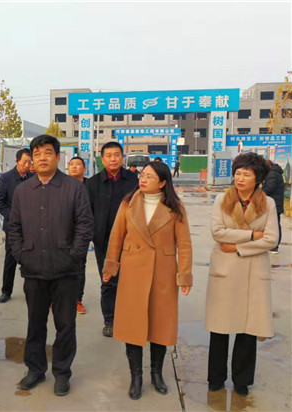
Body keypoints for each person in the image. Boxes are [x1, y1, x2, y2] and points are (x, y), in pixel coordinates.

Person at [9, 135, 93, 396]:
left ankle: (62, 373)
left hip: (66, 270)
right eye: (37, 154)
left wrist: (73, 256)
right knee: (35, 324)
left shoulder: (74, 188)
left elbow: (85, 225)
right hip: (33, 269)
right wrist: (21, 255)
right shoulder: (23, 190)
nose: (42, 158)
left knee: (65, 325)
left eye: (47, 152)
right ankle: (35, 369)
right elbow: (14, 227)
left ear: (58, 157)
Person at [103, 161, 193, 400]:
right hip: (133, 271)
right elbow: (116, 236)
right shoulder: (128, 203)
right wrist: (111, 266)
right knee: (133, 325)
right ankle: (136, 377)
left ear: (162, 183)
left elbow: (184, 244)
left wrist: (184, 275)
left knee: (160, 325)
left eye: (149, 176)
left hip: (163, 272)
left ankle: (156, 374)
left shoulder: (175, 208)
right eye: (142, 175)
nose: (142, 179)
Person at [205, 152, 278, 397]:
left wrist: (238, 247)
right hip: (225, 271)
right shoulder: (222, 199)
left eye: (246, 174)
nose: (240, 178)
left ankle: (242, 380)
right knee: (220, 327)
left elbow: (271, 239)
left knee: (248, 328)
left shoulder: (267, 203)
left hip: (252, 271)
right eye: (238, 173)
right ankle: (215, 378)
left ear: (258, 178)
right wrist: (251, 235)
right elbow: (217, 232)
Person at [85, 142, 138, 337]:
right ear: (102, 159)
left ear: (122, 157)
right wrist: (93, 235)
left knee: (131, 281)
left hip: (131, 240)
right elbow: (86, 212)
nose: (113, 159)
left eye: (116, 155)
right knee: (108, 281)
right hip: (104, 241)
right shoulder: (92, 183)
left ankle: (130, 317)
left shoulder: (134, 180)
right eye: (108, 155)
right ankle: (110, 320)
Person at [0, 148, 32, 303]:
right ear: (17, 160)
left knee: (31, 259)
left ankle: (32, 291)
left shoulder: (33, 178)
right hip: (13, 227)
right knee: (11, 259)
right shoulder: (6, 179)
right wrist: (14, 217)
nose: (27, 165)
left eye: (29, 162)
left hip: (31, 227)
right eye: (24, 162)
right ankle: (6, 291)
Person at [67, 156, 89, 314]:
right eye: (71, 164)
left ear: (84, 169)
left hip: (81, 233)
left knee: (79, 267)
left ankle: (77, 300)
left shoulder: (90, 186)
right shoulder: (61, 185)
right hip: (62, 232)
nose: (74, 167)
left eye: (78, 164)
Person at [263, 159, 284, 253]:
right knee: (275, 224)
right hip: (276, 203)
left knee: (274, 225)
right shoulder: (275, 173)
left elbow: (269, 188)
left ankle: (274, 246)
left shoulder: (273, 174)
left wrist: (259, 195)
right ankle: (274, 245)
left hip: (274, 204)